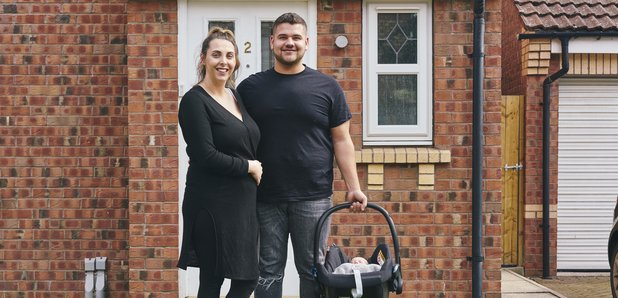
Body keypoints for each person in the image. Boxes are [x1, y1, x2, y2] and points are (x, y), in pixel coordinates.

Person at [237, 12, 368, 298]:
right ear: (271, 42)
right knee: (268, 271)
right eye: (283, 37)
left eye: (296, 37)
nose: (289, 43)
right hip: (264, 196)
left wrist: (354, 187)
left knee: (312, 270)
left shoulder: (328, 87)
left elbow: (342, 140)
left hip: (313, 197)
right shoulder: (250, 88)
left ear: (307, 42)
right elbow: (235, 135)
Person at [177, 27, 262, 298]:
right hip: (211, 204)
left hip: (242, 206)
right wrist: (248, 166)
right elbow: (204, 154)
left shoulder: (235, 96)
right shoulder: (193, 101)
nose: (223, 61)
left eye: (229, 55)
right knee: (212, 283)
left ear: (236, 61)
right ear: (203, 59)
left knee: (247, 279)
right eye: (216, 55)